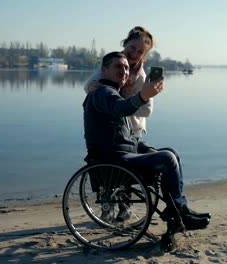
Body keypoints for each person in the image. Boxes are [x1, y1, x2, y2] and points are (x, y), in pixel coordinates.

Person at [83, 52, 210, 243]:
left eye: (126, 67)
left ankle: (178, 209)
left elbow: (125, 138)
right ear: (104, 70)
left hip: (121, 155)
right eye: (118, 66)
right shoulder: (102, 93)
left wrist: (146, 148)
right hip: (112, 161)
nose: (124, 71)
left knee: (170, 152)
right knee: (167, 158)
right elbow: (122, 108)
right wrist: (143, 95)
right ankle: (177, 214)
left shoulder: (111, 93)